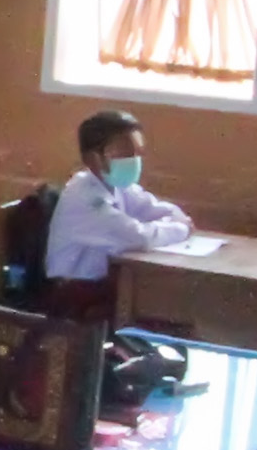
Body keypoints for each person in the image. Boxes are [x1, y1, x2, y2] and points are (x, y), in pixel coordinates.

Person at [41, 111, 195, 318]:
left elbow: (157, 209)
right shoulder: (85, 198)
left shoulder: (118, 185)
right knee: (164, 300)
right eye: (124, 153)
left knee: (171, 295)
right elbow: (137, 236)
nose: (134, 161)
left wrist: (177, 220)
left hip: (106, 283)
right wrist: (181, 229)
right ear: (93, 159)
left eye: (137, 152)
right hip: (75, 293)